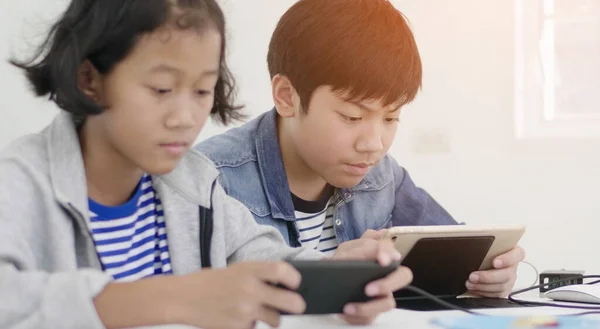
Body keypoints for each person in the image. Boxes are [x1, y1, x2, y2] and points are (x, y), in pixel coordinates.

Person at [0, 1, 413, 328]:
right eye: (161, 88)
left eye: (202, 90)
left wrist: (339, 278)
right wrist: (176, 297)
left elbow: (261, 255)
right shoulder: (20, 180)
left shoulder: (193, 180)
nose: (185, 117)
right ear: (90, 79)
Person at [195, 0, 525, 299]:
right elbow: (192, 302)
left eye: (391, 117)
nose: (374, 144)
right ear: (286, 96)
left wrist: (488, 274)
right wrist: (324, 277)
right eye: (352, 117)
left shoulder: (381, 175)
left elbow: (454, 244)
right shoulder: (211, 179)